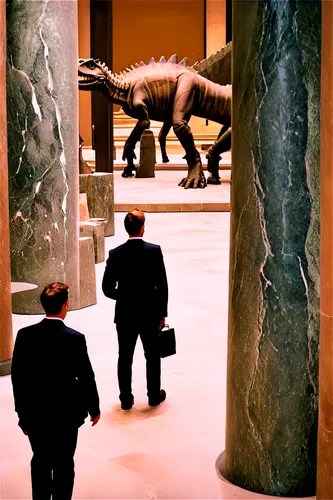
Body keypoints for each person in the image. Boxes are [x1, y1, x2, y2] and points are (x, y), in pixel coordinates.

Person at [11, 282, 100, 500]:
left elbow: (18, 380)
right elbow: (87, 377)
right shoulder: (75, 338)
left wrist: (22, 416)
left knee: (40, 461)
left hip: (35, 415)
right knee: (64, 464)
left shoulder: (25, 335)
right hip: (67, 416)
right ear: (65, 306)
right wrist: (94, 408)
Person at [102, 209, 169, 410]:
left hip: (125, 314)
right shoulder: (154, 251)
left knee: (125, 358)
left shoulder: (115, 254)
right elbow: (162, 286)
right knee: (152, 356)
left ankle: (125, 399)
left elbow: (107, 288)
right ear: (142, 229)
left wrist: (123, 296)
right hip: (150, 313)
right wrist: (162, 313)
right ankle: (153, 395)